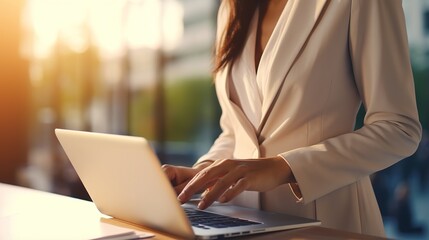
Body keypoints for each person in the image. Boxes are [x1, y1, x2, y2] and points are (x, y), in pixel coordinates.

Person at [162, 0, 422, 237]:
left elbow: (399, 128)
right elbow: (235, 132)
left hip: (327, 223)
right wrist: (202, 173)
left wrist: (284, 167)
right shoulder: (231, 9)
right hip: (240, 223)